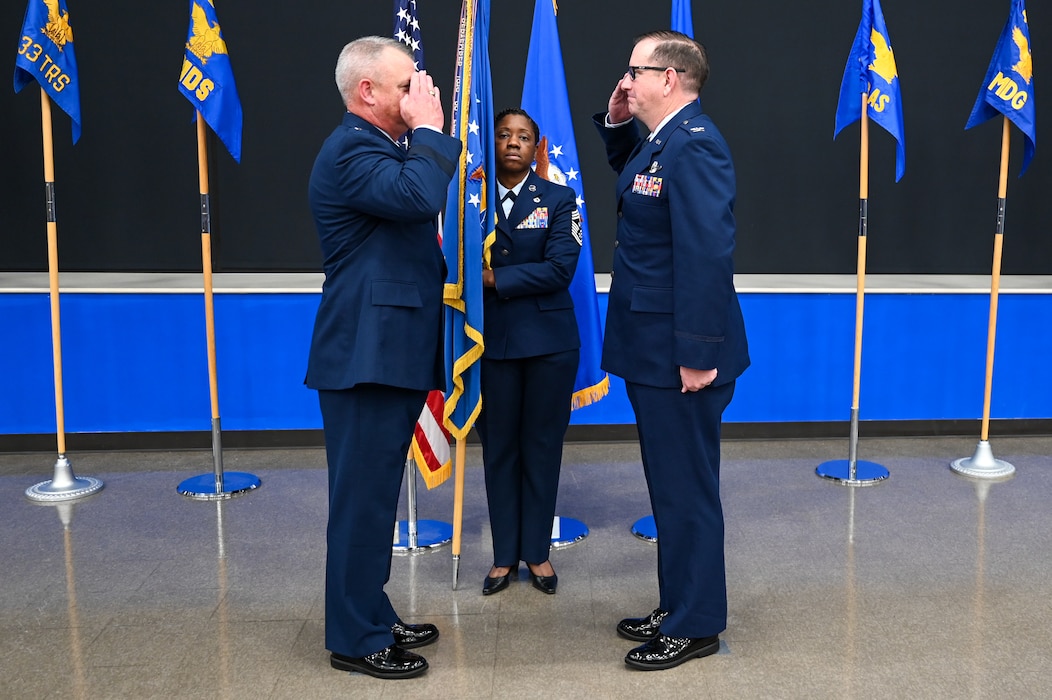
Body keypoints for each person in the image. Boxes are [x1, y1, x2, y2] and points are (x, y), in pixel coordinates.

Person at [591, 30, 750, 671]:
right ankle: (677, 601)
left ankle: (697, 623)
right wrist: (615, 122)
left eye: (635, 70)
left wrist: (698, 352)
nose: (626, 79)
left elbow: (708, 256)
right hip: (651, 345)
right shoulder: (662, 144)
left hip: (681, 352)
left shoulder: (697, 146)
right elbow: (637, 183)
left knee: (686, 490)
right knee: (668, 488)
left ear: (669, 78)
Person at [305, 36, 462, 680]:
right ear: (366, 91)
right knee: (364, 503)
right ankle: (355, 637)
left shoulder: (378, 149)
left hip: (389, 353)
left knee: (374, 499)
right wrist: (431, 130)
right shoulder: (351, 149)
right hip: (365, 358)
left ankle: (370, 607)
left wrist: (420, 132)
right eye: (406, 87)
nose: (419, 96)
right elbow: (420, 197)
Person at [476, 109, 582, 597]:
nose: (512, 143)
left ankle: (536, 552)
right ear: (490, 142)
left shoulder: (561, 200)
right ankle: (503, 557)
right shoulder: (468, 205)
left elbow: (560, 268)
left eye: (523, 137)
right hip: (488, 345)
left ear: (537, 148)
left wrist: (494, 279)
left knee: (541, 448)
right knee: (499, 450)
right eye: (503, 135)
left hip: (547, 347)